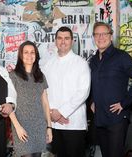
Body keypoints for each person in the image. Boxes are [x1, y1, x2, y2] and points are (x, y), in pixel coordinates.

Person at [90, 21, 132, 157]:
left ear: (111, 36)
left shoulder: (121, 56)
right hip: (100, 118)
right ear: (94, 38)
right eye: (97, 34)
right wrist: (92, 101)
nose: (101, 37)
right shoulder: (93, 60)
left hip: (117, 119)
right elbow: (93, 84)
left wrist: (124, 103)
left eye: (104, 34)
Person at [42, 26, 91, 157]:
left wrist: (61, 112)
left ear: (72, 41)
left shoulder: (81, 63)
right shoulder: (48, 64)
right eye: (60, 38)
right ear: (55, 41)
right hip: (53, 124)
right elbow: (44, 91)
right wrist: (51, 113)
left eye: (66, 38)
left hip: (73, 124)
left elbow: (83, 91)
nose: (63, 41)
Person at [9, 41, 52, 157]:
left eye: (32, 52)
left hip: (39, 126)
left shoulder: (40, 76)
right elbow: (9, 104)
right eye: (26, 52)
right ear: (21, 55)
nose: (29, 55)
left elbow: (45, 104)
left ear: (36, 55)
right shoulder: (13, 76)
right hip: (21, 126)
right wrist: (17, 127)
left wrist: (49, 127)